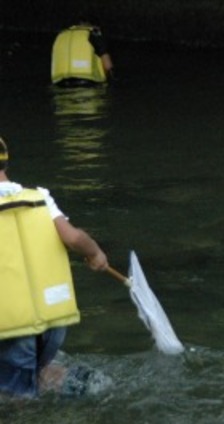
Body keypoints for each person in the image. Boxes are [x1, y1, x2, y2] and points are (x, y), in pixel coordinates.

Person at [0, 136, 109, 398]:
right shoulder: (39, 197)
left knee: (15, 396)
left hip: (8, 327)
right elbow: (73, 238)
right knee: (35, 368)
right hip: (53, 322)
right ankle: (74, 385)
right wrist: (95, 254)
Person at [51, 17, 114, 87]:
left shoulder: (61, 35)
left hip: (61, 83)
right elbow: (108, 65)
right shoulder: (93, 35)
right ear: (94, 26)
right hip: (87, 82)